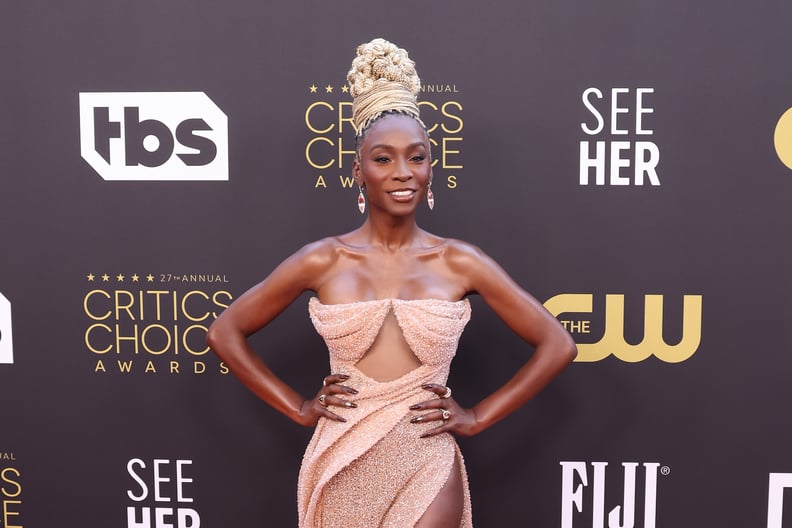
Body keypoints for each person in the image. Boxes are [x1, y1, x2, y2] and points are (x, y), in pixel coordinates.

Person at [206, 37, 577, 528]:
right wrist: (298, 407)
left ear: (431, 166)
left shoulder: (460, 261)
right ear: (358, 172)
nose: (403, 173)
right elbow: (223, 332)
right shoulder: (323, 259)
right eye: (383, 159)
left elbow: (558, 344)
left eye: (416, 157)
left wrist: (479, 416)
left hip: (425, 457)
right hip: (342, 457)